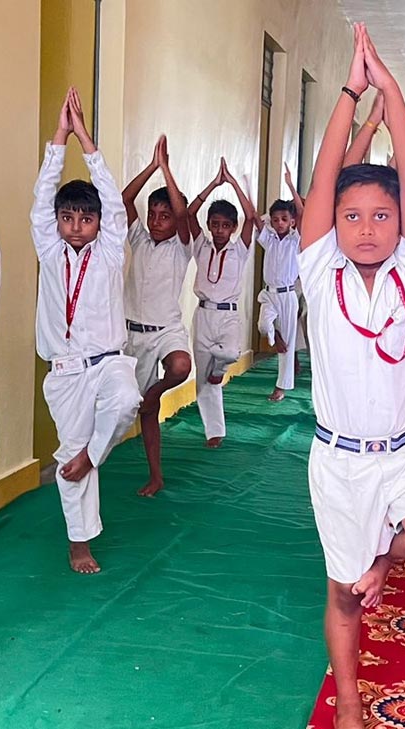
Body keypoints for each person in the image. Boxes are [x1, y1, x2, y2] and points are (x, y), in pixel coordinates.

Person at [299, 24, 405, 729]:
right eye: (353, 216)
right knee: (342, 597)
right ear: (333, 225)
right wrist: (346, 92)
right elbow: (324, 174)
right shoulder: (316, 271)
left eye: (382, 216)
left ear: (404, 224)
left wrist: (390, 90)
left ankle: (384, 557)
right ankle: (349, 709)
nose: (367, 228)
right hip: (338, 461)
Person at [31, 89, 142, 574]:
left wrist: (85, 141)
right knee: (67, 455)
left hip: (109, 361)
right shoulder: (50, 251)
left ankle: (93, 455)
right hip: (63, 372)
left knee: (125, 402)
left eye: (87, 219)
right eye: (68, 218)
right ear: (57, 223)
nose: (77, 227)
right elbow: (40, 199)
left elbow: (116, 203)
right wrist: (58, 137)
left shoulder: (111, 250)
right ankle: (80, 543)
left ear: (99, 223)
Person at [121, 135, 193, 496]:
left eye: (164, 216)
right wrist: (150, 166)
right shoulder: (139, 239)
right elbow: (124, 200)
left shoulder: (182, 247)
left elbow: (183, 214)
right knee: (142, 413)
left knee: (180, 367)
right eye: (153, 214)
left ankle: (155, 393)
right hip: (134, 335)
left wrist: (166, 170)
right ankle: (156, 475)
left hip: (167, 330)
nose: (157, 221)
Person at [187, 158, 256, 447]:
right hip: (203, 315)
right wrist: (212, 186)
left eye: (225, 226)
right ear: (209, 225)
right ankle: (214, 432)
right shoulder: (200, 244)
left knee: (229, 352)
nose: (219, 230)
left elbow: (251, 218)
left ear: (233, 227)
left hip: (228, 315)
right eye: (214, 225)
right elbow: (189, 214)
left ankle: (220, 370)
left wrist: (233, 184)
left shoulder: (239, 248)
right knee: (202, 378)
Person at [255, 168, 304, 402]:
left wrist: (291, 186)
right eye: (275, 220)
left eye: (285, 219)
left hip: (288, 296)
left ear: (292, 221)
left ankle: (281, 387)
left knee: (289, 343)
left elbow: (302, 214)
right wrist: (267, 218)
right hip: (269, 294)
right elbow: (256, 219)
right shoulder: (269, 239)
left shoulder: (296, 241)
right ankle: (276, 339)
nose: (279, 223)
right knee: (264, 326)